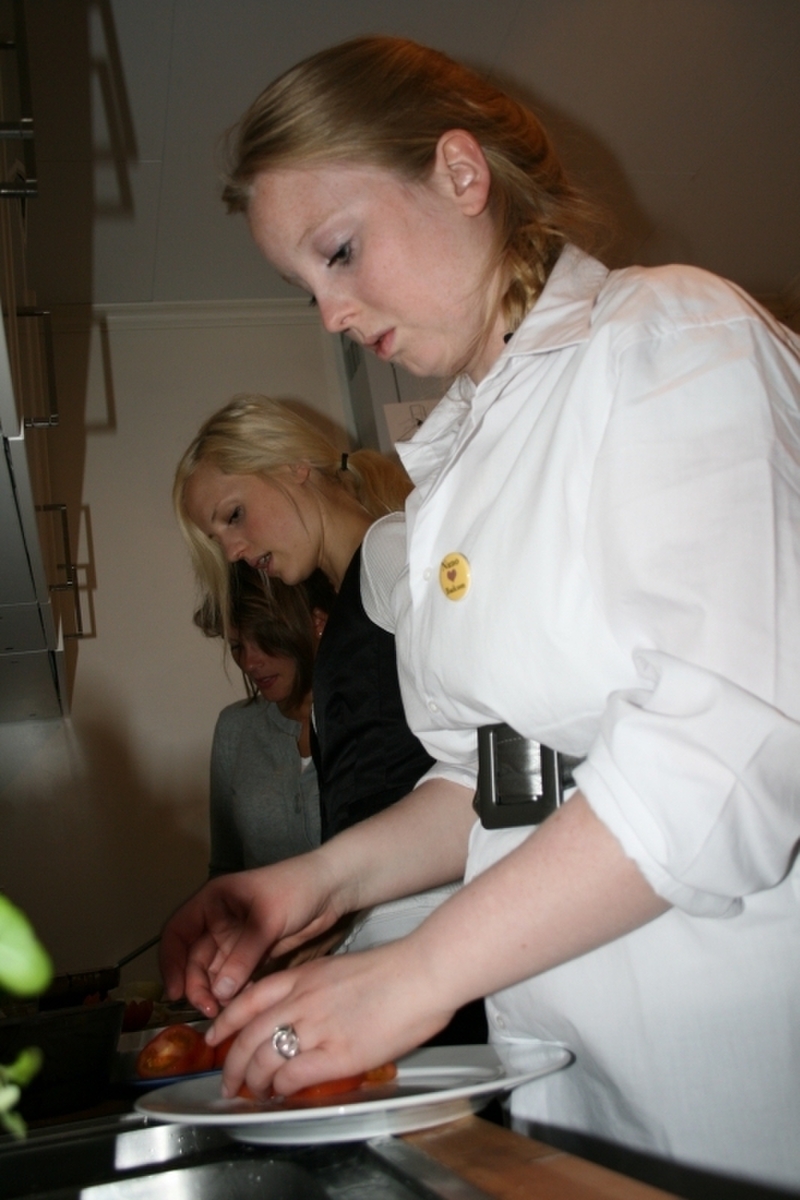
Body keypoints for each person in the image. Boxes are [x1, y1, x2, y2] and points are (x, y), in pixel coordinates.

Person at [160, 36, 800, 1192]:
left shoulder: (666, 338)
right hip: (568, 1067)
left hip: (731, 1058)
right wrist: (309, 886)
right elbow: (491, 784)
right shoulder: (451, 476)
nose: (330, 312)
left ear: (460, 174)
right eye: (308, 284)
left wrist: (413, 976)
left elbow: (725, 751)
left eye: (338, 251)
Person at [196, 563, 334, 875]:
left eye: (263, 639)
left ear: (318, 622)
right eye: (237, 646)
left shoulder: (367, 716)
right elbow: (225, 869)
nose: (249, 662)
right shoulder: (235, 729)